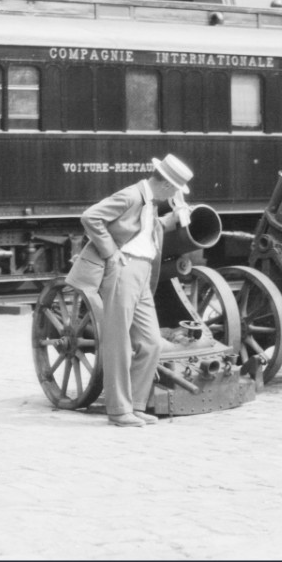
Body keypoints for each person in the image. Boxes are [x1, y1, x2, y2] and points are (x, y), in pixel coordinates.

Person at [65, 154, 193, 428]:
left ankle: (134, 405)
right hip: (124, 271)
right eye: (176, 192)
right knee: (119, 342)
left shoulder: (149, 202)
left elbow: (144, 230)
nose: (175, 196)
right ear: (169, 186)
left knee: (151, 343)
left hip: (142, 273)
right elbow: (90, 217)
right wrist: (110, 252)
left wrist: (177, 217)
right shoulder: (131, 196)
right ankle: (119, 410)